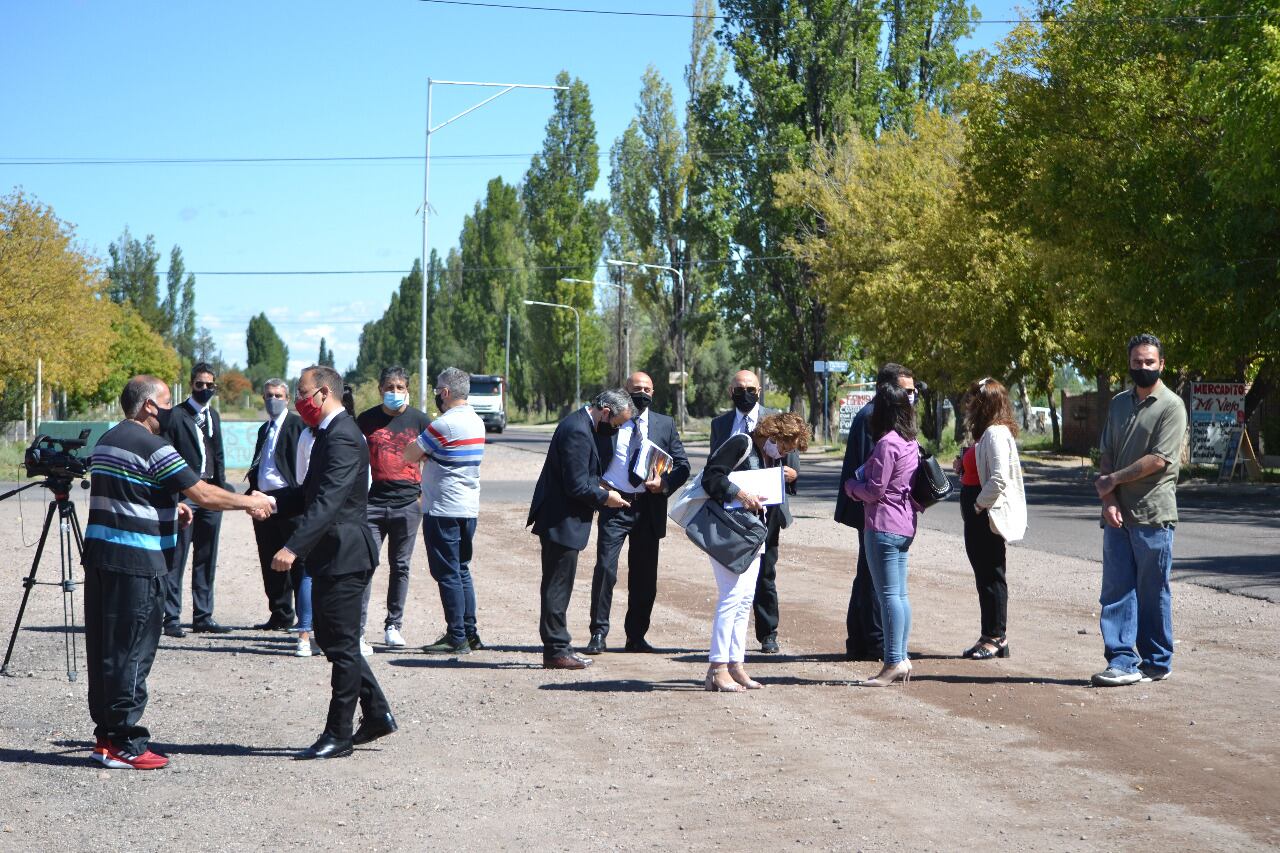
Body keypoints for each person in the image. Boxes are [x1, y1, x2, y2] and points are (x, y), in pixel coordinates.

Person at [83, 375, 272, 770]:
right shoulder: (153, 446)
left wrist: (171, 507)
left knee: (105, 649)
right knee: (134, 651)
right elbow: (203, 493)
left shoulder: (107, 440)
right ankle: (125, 741)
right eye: (167, 401)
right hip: (137, 565)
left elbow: (130, 492)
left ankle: (105, 735)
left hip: (101, 560)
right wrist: (248, 501)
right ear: (150, 406)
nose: (173, 408)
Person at [266, 365, 395, 759]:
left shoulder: (341, 436)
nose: (299, 399)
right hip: (334, 552)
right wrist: (271, 501)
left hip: (345, 552)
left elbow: (329, 501)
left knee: (340, 645)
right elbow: (309, 491)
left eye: (302, 392)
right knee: (335, 640)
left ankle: (338, 734)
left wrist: (293, 547)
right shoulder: (327, 434)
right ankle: (377, 713)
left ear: (323, 393)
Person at [1090, 333, 1187, 687]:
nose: (1143, 367)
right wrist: (1109, 499)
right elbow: (1106, 454)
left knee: (1152, 591)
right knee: (1116, 590)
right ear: (1129, 364)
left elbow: (1158, 460)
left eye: (1149, 362)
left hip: (1152, 514)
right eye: (1137, 362)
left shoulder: (1172, 406)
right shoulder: (1118, 404)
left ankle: (1157, 661)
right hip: (1117, 515)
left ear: (1161, 364)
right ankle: (1121, 661)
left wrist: (1111, 480)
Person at [700, 413, 809, 691]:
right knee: (731, 597)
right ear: (773, 434)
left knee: (744, 598)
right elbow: (711, 477)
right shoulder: (742, 443)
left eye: (787, 451)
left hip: (752, 535)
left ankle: (735, 665)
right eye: (783, 447)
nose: (783, 453)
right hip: (728, 534)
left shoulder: (768, 455)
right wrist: (740, 494)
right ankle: (717, 668)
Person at [585, 372, 691, 655]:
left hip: (648, 507)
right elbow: (591, 456)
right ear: (625, 391)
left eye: (646, 389)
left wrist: (665, 484)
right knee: (606, 569)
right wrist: (600, 485)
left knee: (644, 576)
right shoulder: (611, 420)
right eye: (636, 389)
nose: (641, 392)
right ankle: (598, 633)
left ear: (653, 393)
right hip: (615, 503)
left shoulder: (664, 424)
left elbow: (683, 465)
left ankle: (636, 636)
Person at [527, 389, 633, 670]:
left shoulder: (582, 425)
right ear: (606, 412)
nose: (616, 429)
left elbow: (583, 475)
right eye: (617, 423)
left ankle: (559, 646)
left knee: (559, 585)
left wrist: (603, 485)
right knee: (557, 587)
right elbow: (575, 484)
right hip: (561, 520)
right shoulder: (577, 430)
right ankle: (556, 650)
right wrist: (605, 497)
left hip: (565, 520)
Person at [707, 370, 799, 653]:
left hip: (768, 512)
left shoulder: (778, 420)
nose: (745, 393)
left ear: (759, 391)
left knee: (764, 574)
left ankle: (767, 633)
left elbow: (793, 465)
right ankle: (729, 652)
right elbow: (714, 471)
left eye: (750, 388)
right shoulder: (721, 425)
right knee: (735, 586)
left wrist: (791, 476)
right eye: (739, 388)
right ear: (730, 391)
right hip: (732, 512)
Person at [834, 363, 916, 661]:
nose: (911, 396)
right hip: (873, 512)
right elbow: (874, 476)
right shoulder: (873, 418)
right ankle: (873, 642)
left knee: (868, 576)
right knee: (875, 581)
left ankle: (860, 642)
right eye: (907, 391)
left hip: (875, 511)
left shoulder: (878, 417)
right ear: (889, 390)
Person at [403, 367, 486, 655]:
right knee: (462, 569)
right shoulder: (477, 421)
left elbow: (409, 455)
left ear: (446, 392)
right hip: (467, 507)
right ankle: (470, 632)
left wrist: (423, 450)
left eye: (438, 390)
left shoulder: (444, 425)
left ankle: (456, 635)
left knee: (447, 573)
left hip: (442, 508)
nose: (437, 395)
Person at [356, 366, 432, 650]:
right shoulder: (366, 420)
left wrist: (422, 499)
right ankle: (359, 630)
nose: (395, 393)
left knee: (400, 566)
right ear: (380, 390)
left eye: (400, 387)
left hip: (408, 506)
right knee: (365, 565)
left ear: (408, 390)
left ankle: (393, 625)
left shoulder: (420, 421)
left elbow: (433, 461)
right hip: (373, 505)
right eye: (389, 387)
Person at [954, 378, 1027, 660]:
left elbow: (999, 479)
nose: (970, 403)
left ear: (986, 402)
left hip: (985, 514)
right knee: (983, 575)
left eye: (975, 397)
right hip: (977, 511)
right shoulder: (986, 434)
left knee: (992, 576)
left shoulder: (996, 434)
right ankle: (989, 635)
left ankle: (997, 637)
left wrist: (977, 506)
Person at [162, 362, 231, 637]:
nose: (204, 389)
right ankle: (171, 618)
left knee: (207, 556)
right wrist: (176, 496)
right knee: (177, 557)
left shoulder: (212, 415)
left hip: (211, 495)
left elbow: (219, 454)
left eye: (209, 385)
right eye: (199, 384)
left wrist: (222, 490)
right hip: (186, 496)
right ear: (191, 384)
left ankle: (203, 615)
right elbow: (168, 457)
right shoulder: (176, 415)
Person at [248, 379, 307, 632]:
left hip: (289, 502)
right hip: (263, 502)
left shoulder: (297, 426)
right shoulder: (264, 428)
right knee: (269, 560)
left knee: (296, 561)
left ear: (288, 399)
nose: (274, 399)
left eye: (279, 395)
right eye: (269, 395)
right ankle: (280, 613)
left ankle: (305, 619)